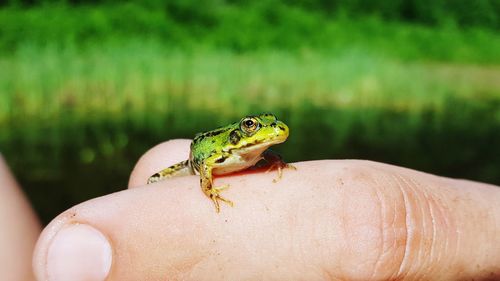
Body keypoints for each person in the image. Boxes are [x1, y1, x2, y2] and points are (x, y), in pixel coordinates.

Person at [2, 139, 500, 281]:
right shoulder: (221, 152)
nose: (265, 134)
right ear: (243, 131)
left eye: (272, 129)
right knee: (158, 176)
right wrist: (213, 192)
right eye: (256, 128)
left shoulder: (259, 149)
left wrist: (273, 161)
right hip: (196, 157)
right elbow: (204, 165)